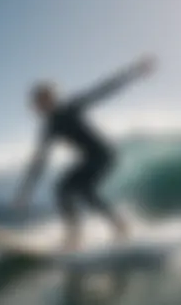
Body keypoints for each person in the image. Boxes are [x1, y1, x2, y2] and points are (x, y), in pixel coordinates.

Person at [13, 54, 157, 251]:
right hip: (90, 158)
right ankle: (106, 228)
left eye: (39, 101)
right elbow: (39, 162)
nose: (36, 107)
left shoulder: (70, 108)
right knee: (66, 189)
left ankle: (86, 234)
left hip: (104, 155)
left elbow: (103, 90)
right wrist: (25, 193)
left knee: (78, 189)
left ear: (49, 99)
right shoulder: (48, 128)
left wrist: (134, 71)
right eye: (35, 103)